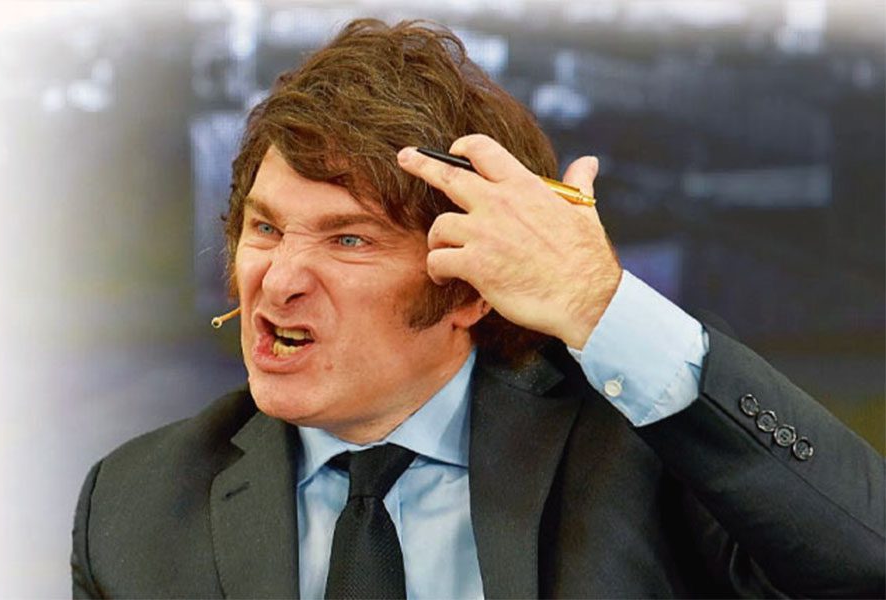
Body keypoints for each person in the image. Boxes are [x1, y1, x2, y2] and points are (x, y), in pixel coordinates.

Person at [71, 19, 884, 598]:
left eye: (348, 240)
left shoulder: (645, 469)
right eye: (265, 228)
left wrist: (599, 304)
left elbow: (863, 564)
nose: (277, 280)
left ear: (466, 286)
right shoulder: (133, 506)